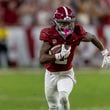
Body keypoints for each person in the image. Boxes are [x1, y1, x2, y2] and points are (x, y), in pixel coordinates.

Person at [39, 6, 110, 110]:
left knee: (63, 97)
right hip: (50, 74)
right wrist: (58, 56)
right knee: (53, 106)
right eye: (63, 23)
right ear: (56, 22)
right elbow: (42, 59)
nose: (67, 26)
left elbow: (92, 38)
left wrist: (105, 53)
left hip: (66, 73)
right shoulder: (50, 34)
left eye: (69, 22)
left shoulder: (76, 32)